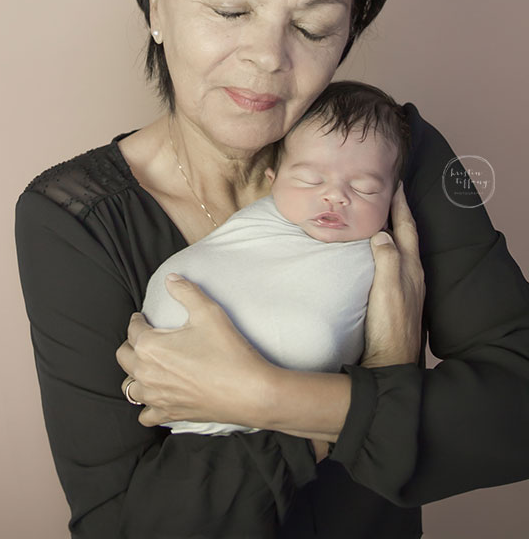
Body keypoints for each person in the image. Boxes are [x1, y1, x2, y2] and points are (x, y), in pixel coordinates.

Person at [14, 0, 529, 538]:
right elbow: (129, 526)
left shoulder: (394, 157)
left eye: (313, 28)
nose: (267, 58)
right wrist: (381, 374)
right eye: (230, 10)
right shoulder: (75, 219)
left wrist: (266, 396)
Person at [142, 80, 410, 438]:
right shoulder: (261, 221)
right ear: (273, 180)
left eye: (364, 188)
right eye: (310, 179)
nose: (335, 196)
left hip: (298, 415)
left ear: (393, 197)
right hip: (170, 371)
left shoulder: (380, 255)